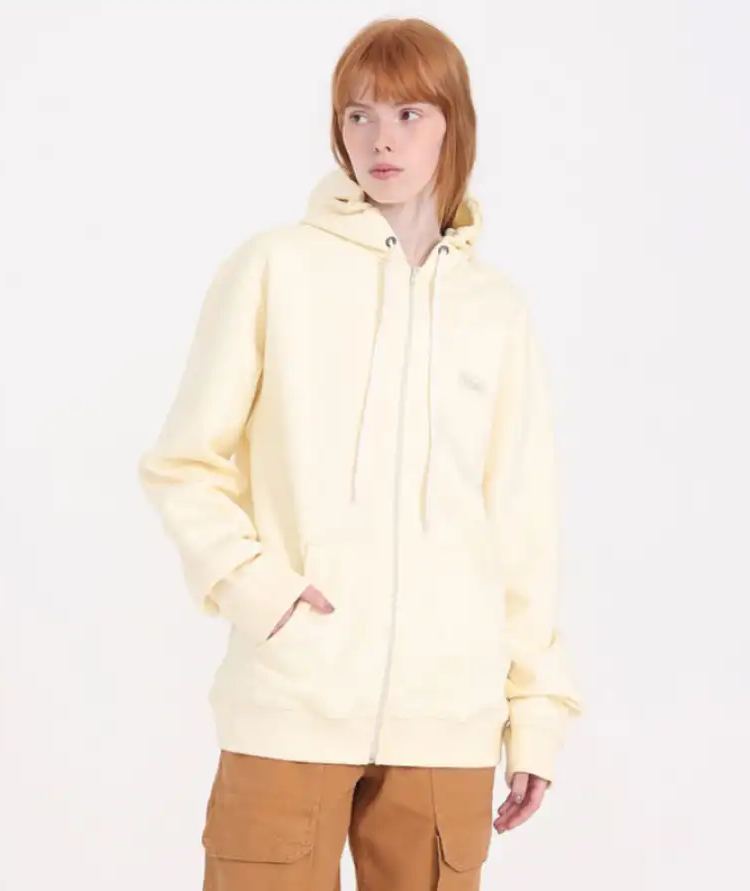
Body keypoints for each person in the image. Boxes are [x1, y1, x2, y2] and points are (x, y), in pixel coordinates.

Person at [138, 15, 583, 891]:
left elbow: (523, 526)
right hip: (290, 699)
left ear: (455, 126)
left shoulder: (496, 311)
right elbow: (184, 463)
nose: (382, 139)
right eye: (359, 114)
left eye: (410, 114)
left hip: (447, 718)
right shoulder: (274, 269)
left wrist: (534, 712)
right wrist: (258, 590)